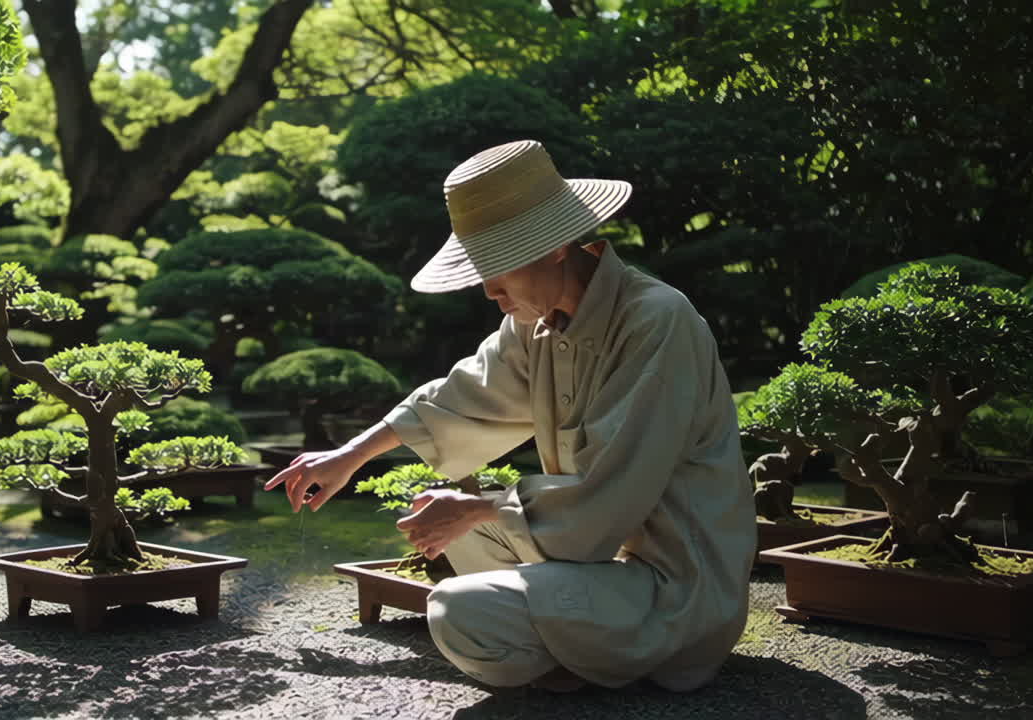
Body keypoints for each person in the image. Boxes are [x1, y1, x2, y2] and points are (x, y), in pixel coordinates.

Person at [264, 139, 756, 693]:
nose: (488, 290)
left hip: (674, 588)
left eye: (498, 266)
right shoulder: (535, 325)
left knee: (455, 610)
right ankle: (588, 652)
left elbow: (610, 493)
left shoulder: (656, 321)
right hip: (594, 561)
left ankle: (619, 657)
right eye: (481, 270)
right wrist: (349, 456)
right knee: (442, 523)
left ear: (556, 246)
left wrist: (480, 507)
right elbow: (462, 394)